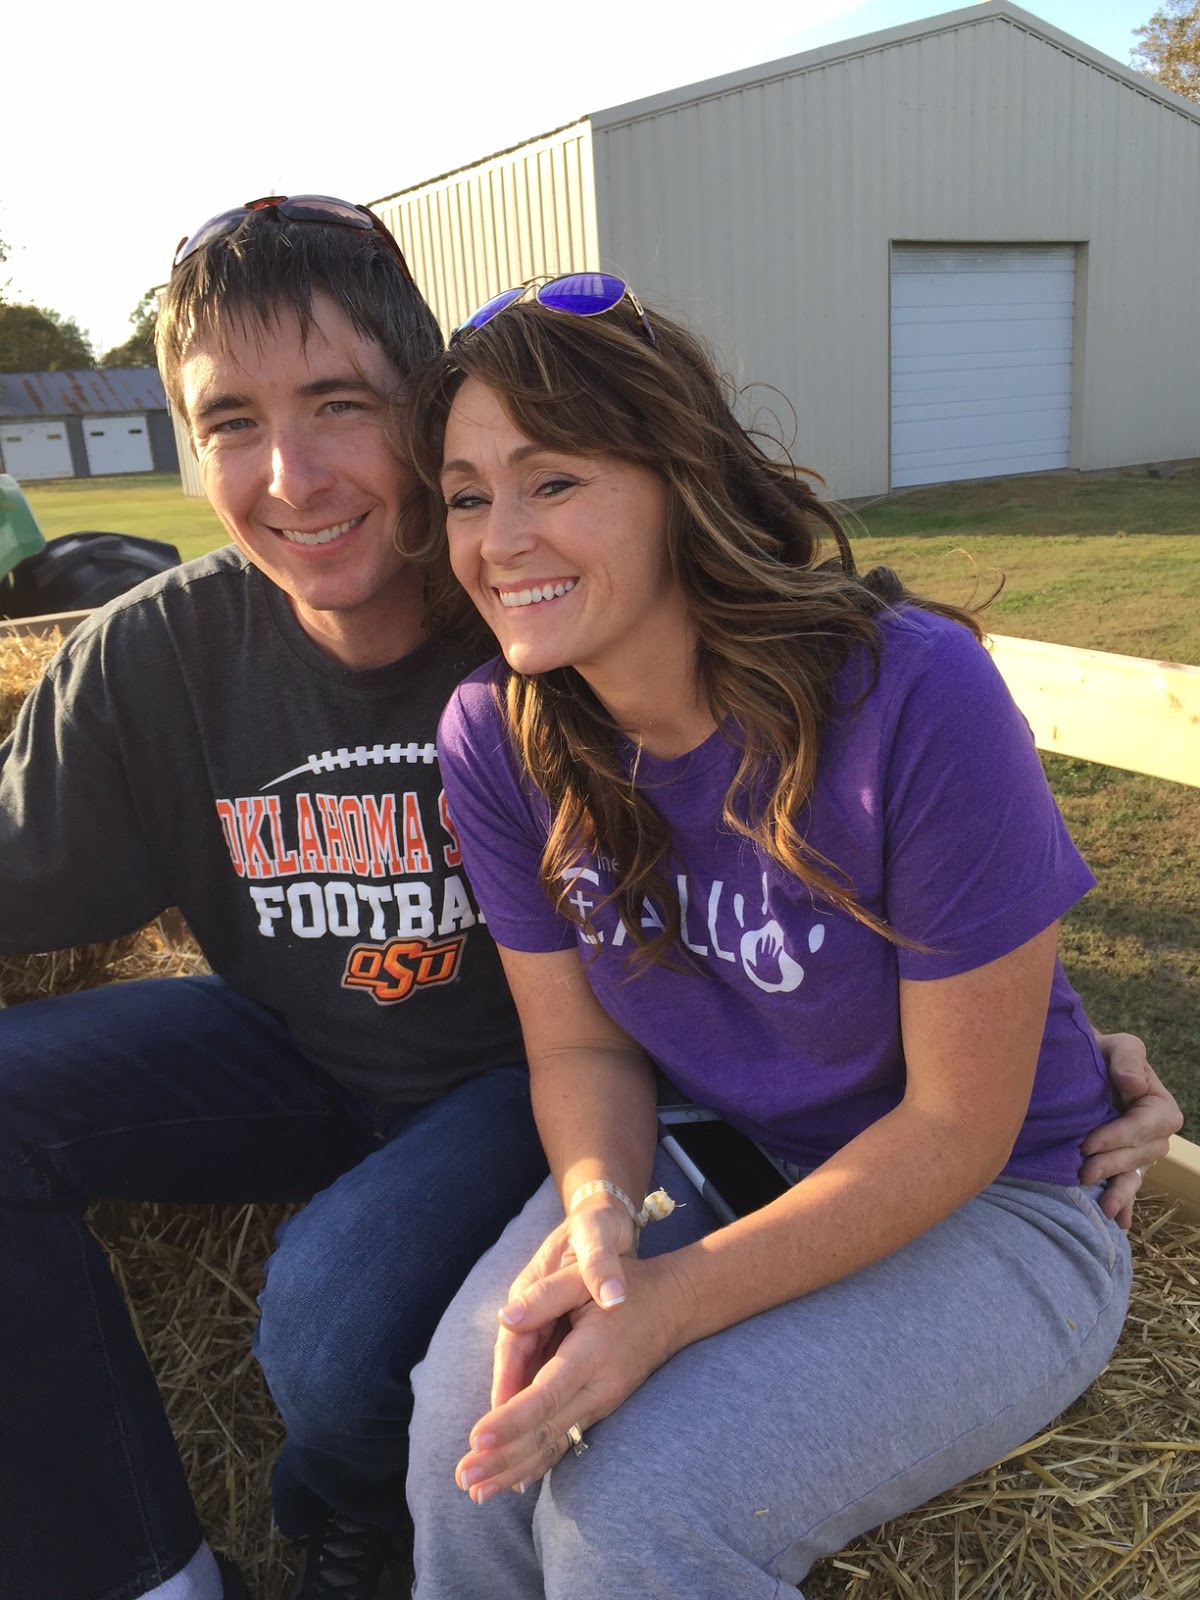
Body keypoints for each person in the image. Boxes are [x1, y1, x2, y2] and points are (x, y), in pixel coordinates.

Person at [396, 277, 1185, 1599]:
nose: (501, 539)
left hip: (1006, 1202)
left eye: (553, 481)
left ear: (679, 479)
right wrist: (598, 1212)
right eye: (468, 496)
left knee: (632, 1520)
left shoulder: (909, 692)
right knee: (458, 1434)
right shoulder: (499, 735)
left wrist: (672, 1304)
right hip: (719, 1150)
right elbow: (579, 1051)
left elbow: (959, 1127)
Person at [0, 198, 555, 1600]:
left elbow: (807, 813)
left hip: (523, 1080)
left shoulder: (540, 616)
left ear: (427, 409)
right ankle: (156, 1574)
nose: (291, 476)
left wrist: (1029, 1041)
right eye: (232, 422)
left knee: (326, 1324)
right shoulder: (152, 656)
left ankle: (350, 1524)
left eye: (337, 404)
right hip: (290, 1051)